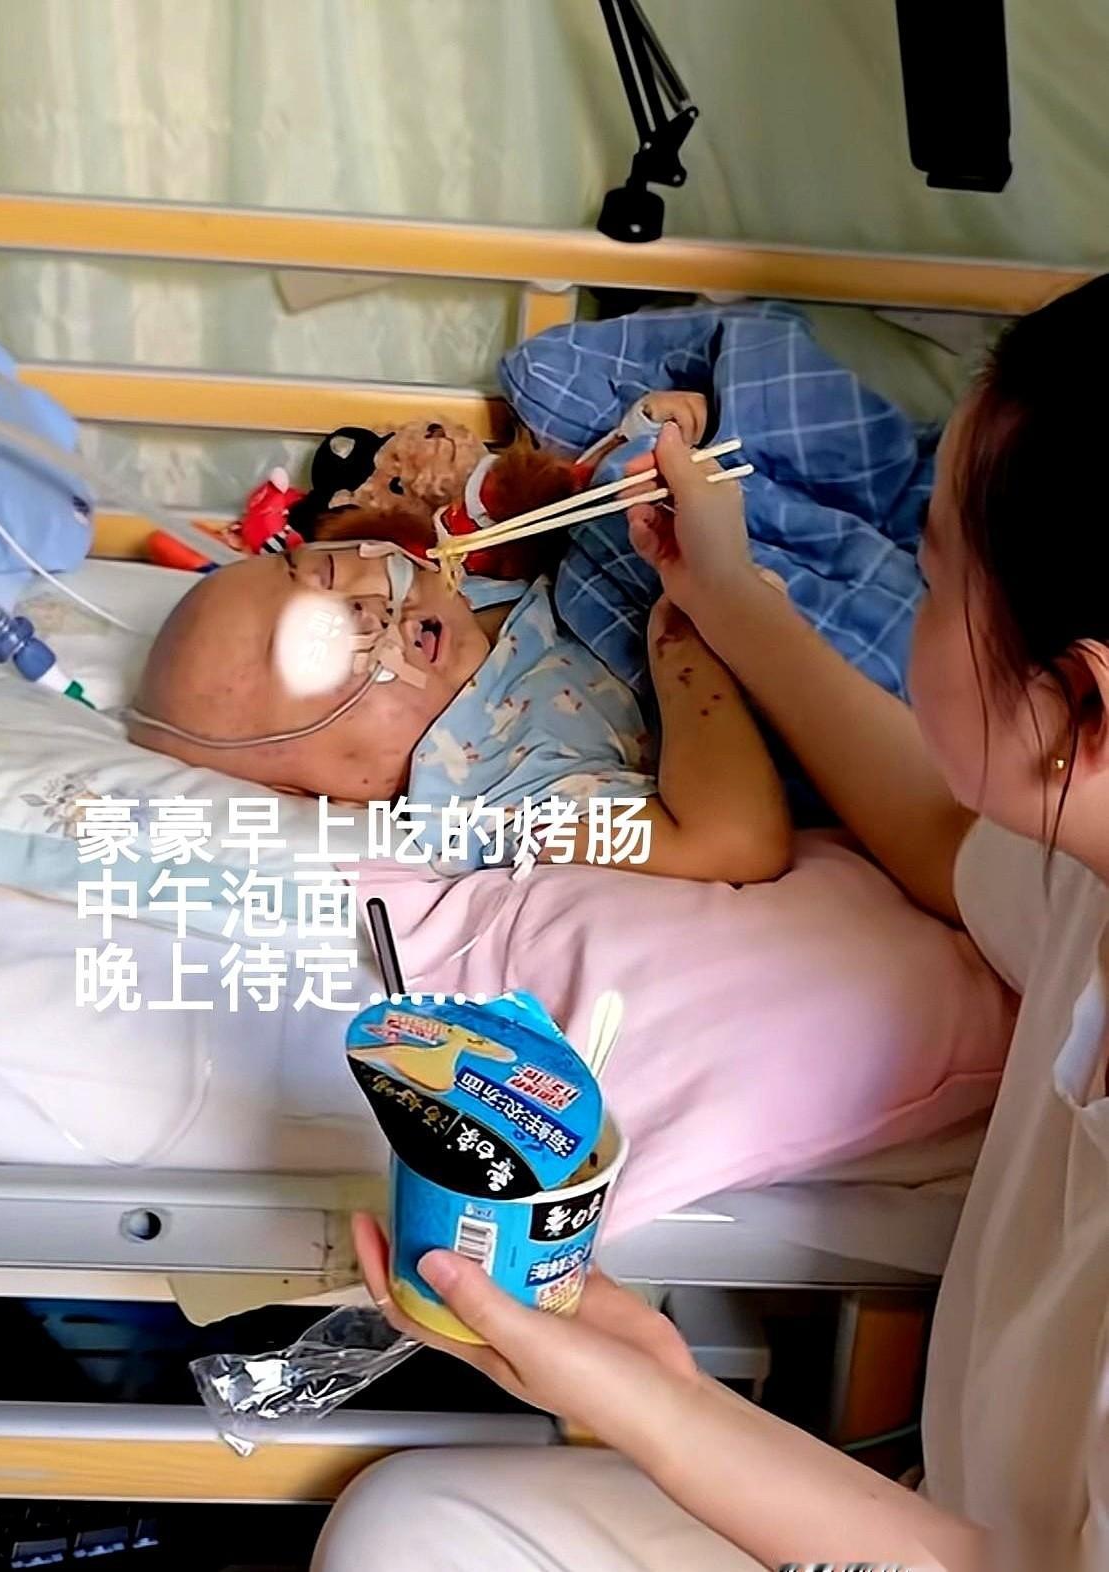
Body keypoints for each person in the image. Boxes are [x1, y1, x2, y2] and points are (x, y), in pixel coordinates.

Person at [313, 275, 1109, 1570]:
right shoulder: (1085, 866)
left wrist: (661, 1409)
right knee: (408, 1525)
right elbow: (943, 844)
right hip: (948, 1522)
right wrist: (731, 602)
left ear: (1081, 710)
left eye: (931, 576)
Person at [127, 506, 791, 884]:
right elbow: (731, 843)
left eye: (326, 572)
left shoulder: (465, 594)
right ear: (326, 792)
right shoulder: (490, 797)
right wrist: (684, 636)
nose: (363, 609)